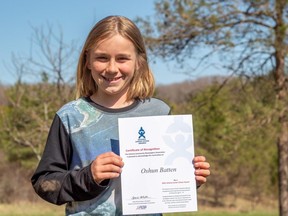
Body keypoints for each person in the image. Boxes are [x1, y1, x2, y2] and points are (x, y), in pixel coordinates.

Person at [31, 15, 210, 216]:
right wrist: (88, 177)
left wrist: (187, 179)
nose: (112, 68)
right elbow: (44, 183)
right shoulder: (70, 117)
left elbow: (163, 184)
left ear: (139, 62)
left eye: (122, 58)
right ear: (87, 61)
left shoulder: (159, 113)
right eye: (102, 58)